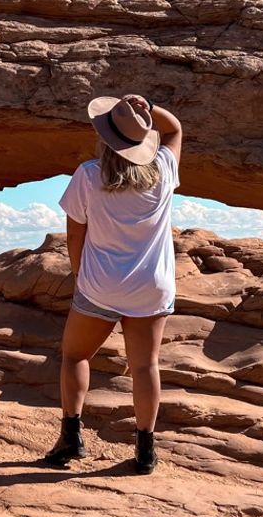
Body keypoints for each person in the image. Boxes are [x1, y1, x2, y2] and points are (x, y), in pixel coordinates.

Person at [40, 93, 182, 475]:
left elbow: (75, 236)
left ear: (104, 136)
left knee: (75, 355)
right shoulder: (165, 170)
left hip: (100, 285)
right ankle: (146, 452)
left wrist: (79, 276)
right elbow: (175, 129)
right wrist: (148, 111)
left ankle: (70, 439)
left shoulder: (89, 175)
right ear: (144, 139)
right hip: (151, 287)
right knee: (145, 366)